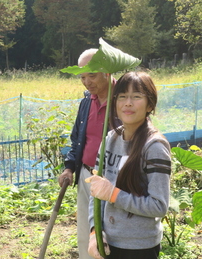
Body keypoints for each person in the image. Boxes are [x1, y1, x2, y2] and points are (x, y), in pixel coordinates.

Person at [86, 71, 171, 259]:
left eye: (136, 97)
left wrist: (114, 194)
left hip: (139, 247)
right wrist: (94, 231)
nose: (128, 103)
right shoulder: (109, 139)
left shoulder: (154, 147)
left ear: (150, 104)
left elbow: (159, 206)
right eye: (122, 96)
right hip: (108, 241)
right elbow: (96, 191)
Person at [58, 48, 116, 259]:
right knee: (86, 231)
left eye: (92, 75)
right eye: (82, 77)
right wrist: (69, 168)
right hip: (86, 175)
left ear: (107, 72)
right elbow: (77, 141)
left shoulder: (123, 100)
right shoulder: (86, 102)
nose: (87, 82)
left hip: (113, 179)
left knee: (112, 232)